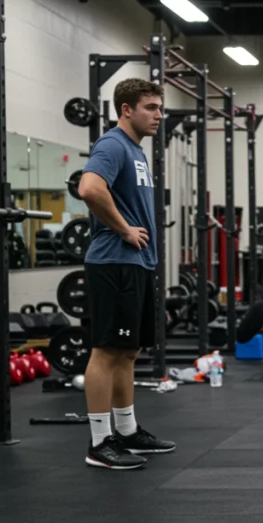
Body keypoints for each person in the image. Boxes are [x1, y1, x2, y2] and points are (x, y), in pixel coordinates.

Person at [77, 78, 176, 470]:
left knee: (129, 351)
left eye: (159, 108)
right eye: (150, 107)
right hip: (114, 261)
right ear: (126, 109)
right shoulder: (113, 144)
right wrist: (122, 228)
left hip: (135, 264)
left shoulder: (135, 150)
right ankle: (100, 442)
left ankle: (127, 430)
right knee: (106, 350)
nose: (158, 115)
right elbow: (88, 188)